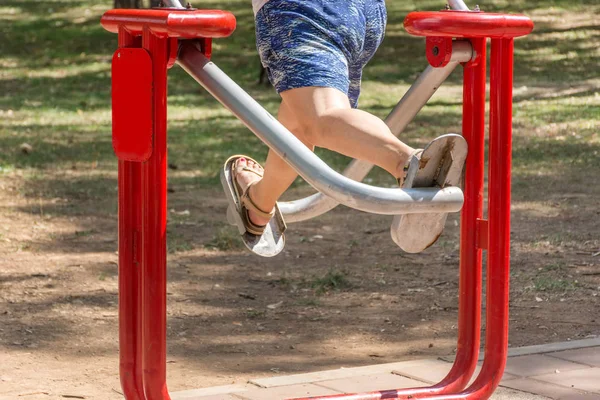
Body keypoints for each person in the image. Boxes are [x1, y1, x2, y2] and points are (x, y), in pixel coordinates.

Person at [227, 0, 427, 236]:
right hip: (363, 12)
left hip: (304, 10)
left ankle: (410, 164)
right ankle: (259, 204)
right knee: (298, 123)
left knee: (321, 117)